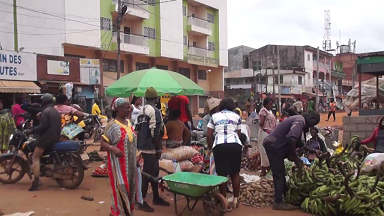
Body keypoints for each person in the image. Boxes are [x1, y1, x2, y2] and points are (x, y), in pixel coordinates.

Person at [263, 112, 321, 210]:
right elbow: (291, 138)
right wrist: (294, 157)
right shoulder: (300, 121)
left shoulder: (299, 121)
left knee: (280, 171)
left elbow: (299, 143)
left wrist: (314, 151)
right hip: (273, 144)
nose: (312, 126)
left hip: (274, 144)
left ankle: (285, 195)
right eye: (313, 123)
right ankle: (278, 202)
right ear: (311, 117)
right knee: (279, 173)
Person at [135, 87, 170, 212]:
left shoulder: (140, 111)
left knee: (154, 173)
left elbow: (136, 129)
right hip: (151, 147)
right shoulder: (155, 111)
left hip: (142, 146)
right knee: (148, 174)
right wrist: (158, 148)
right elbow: (155, 131)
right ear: (156, 99)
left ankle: (156, 197)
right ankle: (142, 201)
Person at [100, 98, 137, 216]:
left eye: (129, 107)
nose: (129, 109)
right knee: (121, 187)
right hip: (118, 165)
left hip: (130, 164)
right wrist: (113, 148)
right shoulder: (112, 125)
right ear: (118, 109)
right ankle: (120, 212)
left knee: (130, 187)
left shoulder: (129, 122)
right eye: (126, 107)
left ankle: (123, 211)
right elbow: (103, 143)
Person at [207, 98, 242, 208]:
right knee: (235, 173)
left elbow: (208, 135)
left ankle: (223, 200)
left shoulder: (214, 116)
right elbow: (239, 133)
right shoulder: (237, 116)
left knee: (221, 174)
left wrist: (210, 148)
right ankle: (236, 199)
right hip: (235, 145)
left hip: (220, 145)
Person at [24, 94, 61, 191]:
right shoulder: (55, 110)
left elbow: (43, 127)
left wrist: (31, 130)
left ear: (44, 101)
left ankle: (36, 182)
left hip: (47, 138)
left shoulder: (45, 111)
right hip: (55, 136)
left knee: (35, 156)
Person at [258, 97, 277, 176]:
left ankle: (263, 170)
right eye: (269, 104)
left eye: (271, 104)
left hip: (270, 133)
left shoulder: (270, 111)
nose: (270, 105)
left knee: (266, 151)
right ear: (265, 104)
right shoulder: (263, 111)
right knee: (264, 152)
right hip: (265, 132)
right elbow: (261, 123)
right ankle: (267, 169)